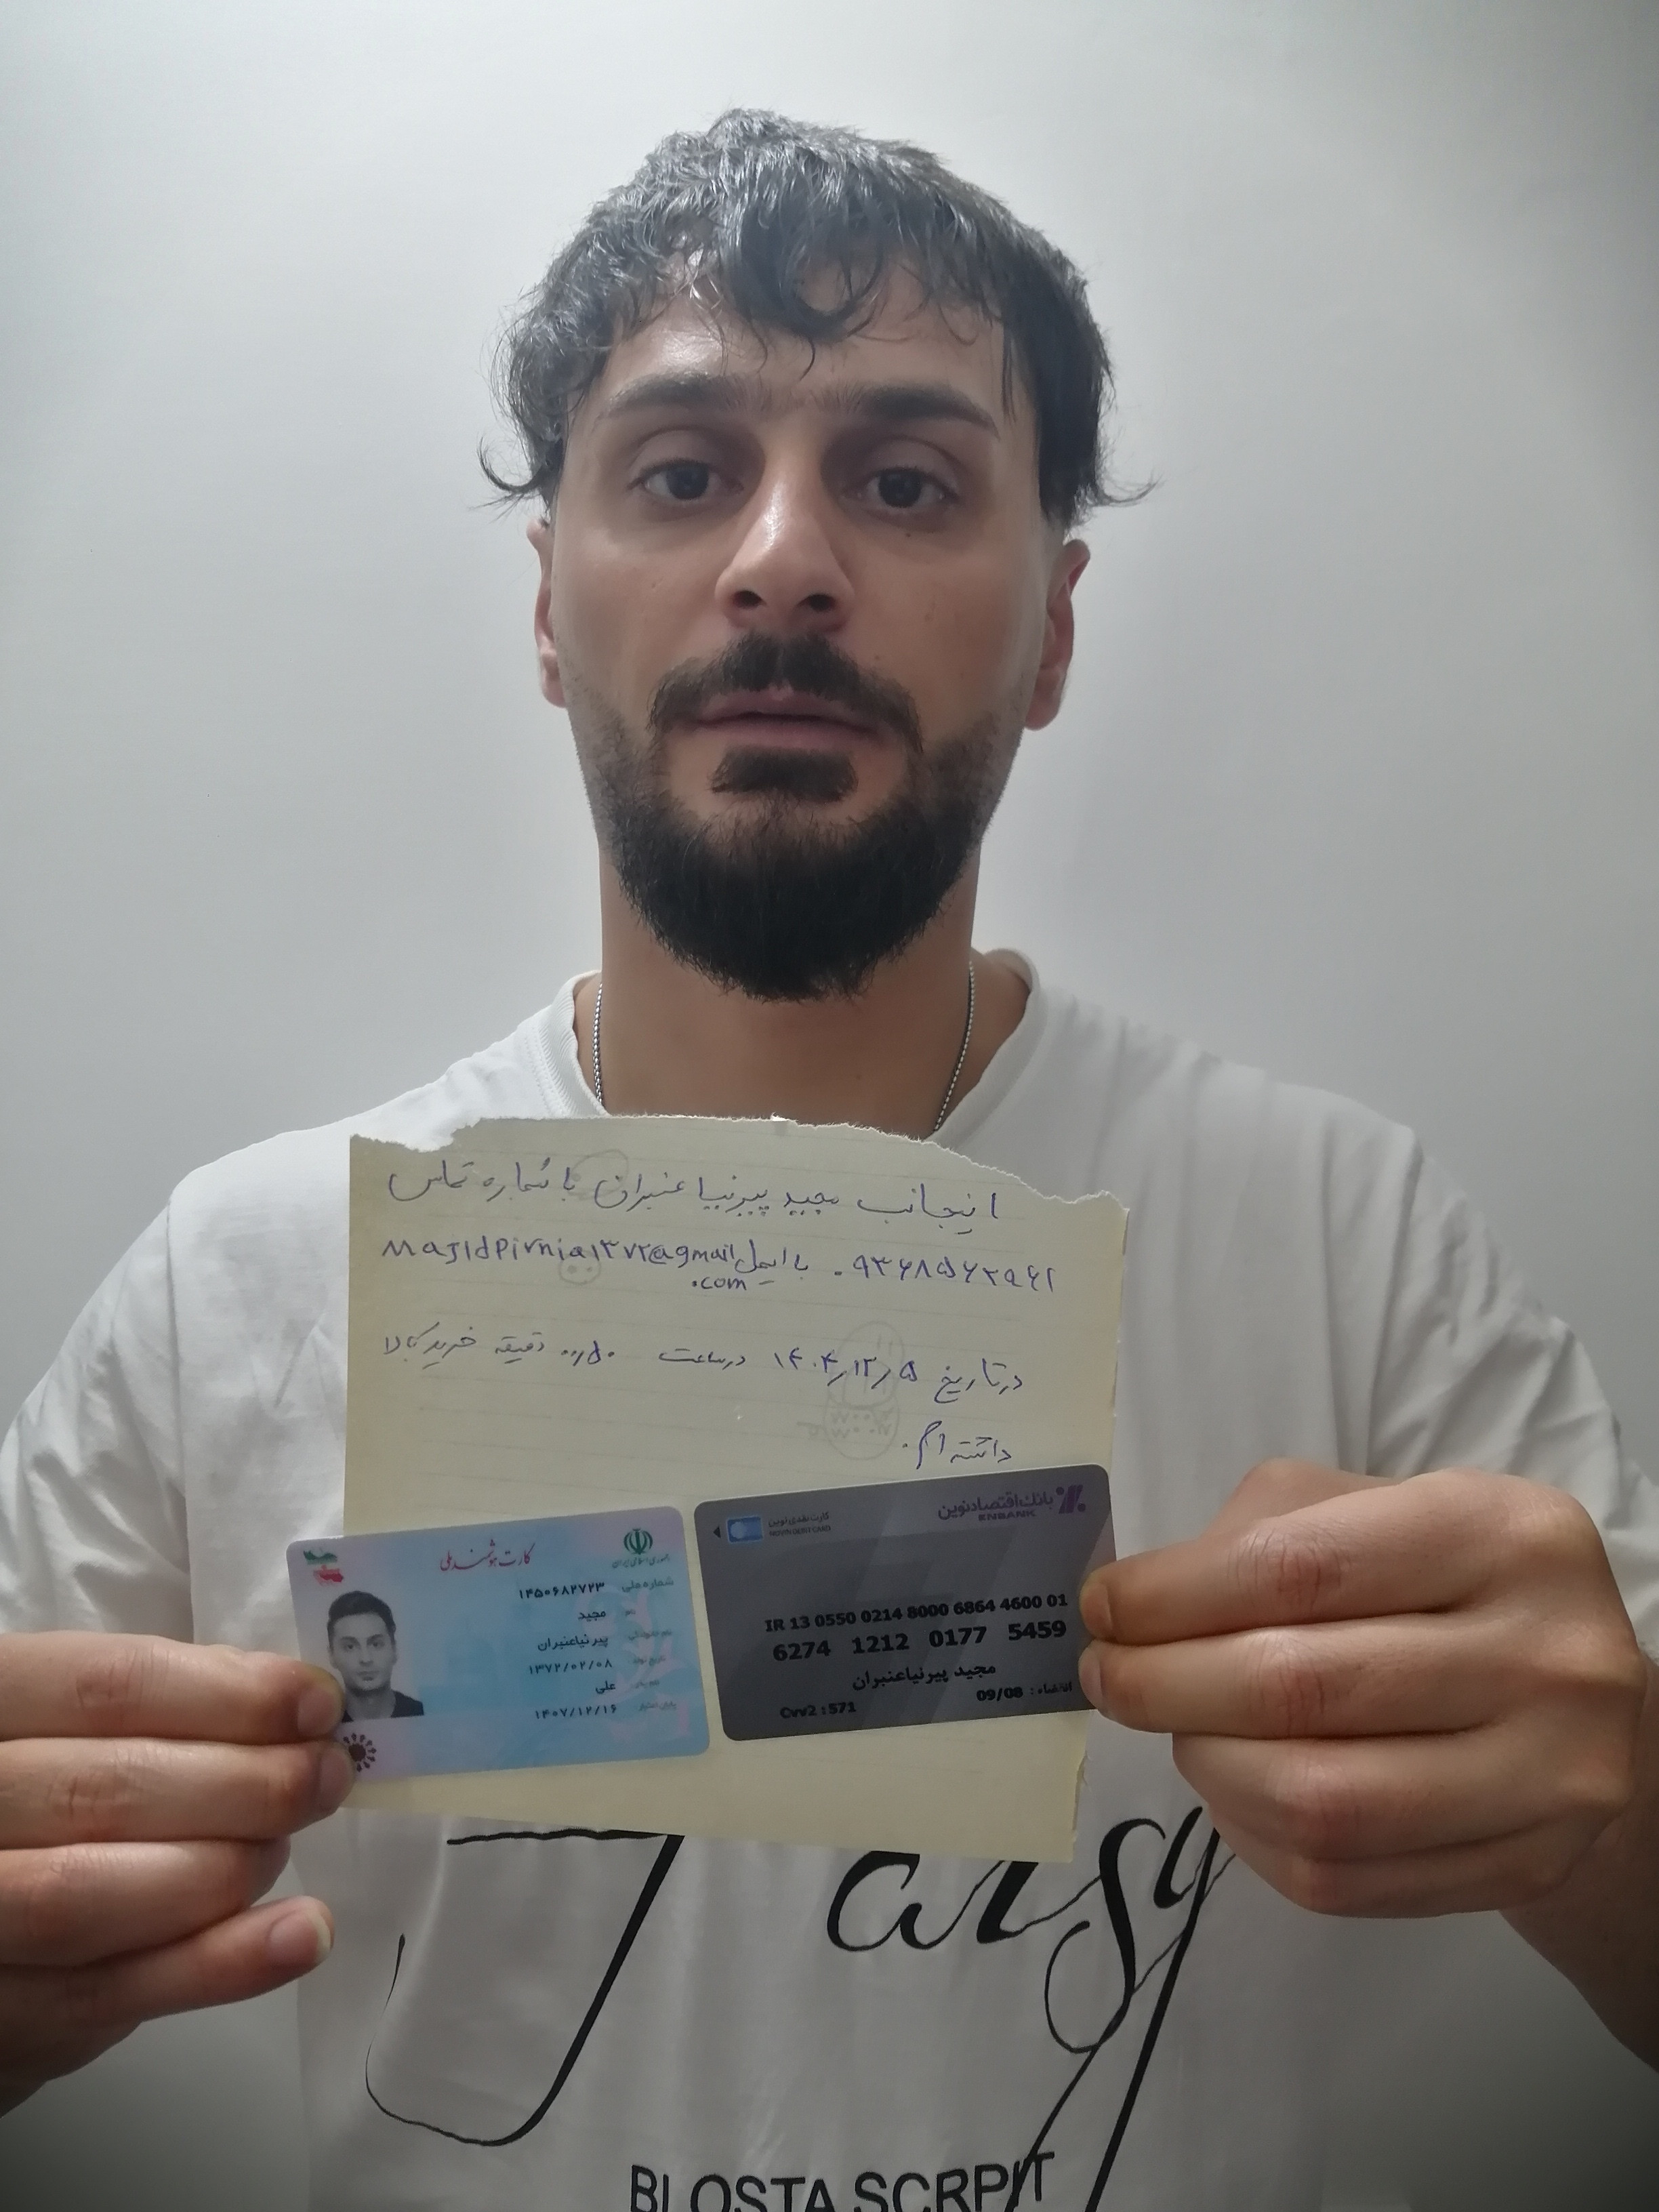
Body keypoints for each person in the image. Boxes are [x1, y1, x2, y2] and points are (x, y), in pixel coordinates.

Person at [1, 108, 1655, 2207]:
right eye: (684, 472)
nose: (784, 560)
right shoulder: (229, 1283)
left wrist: (1617, 1818)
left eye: (905, 480)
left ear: (1053, 634)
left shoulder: (1345, 1238)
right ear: (546, 608)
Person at [325, 1594, 424, 1721]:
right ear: (332, 1655)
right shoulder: (324, 1723)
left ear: (394, 1649)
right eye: (350, 1647)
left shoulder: (421, 1714)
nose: (366, 1659)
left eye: (376, 1644)